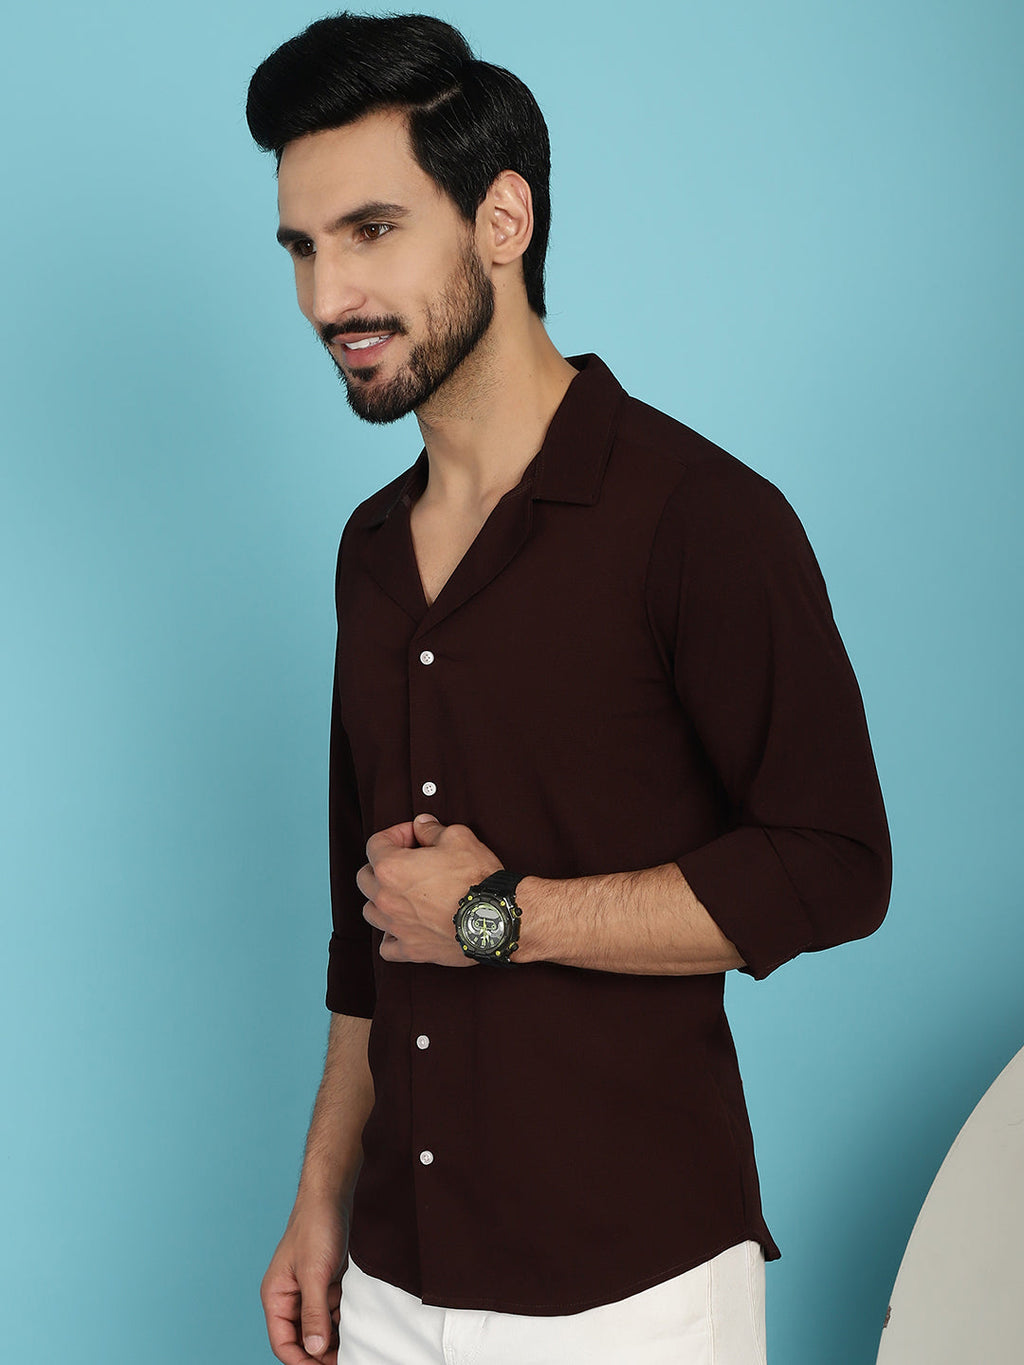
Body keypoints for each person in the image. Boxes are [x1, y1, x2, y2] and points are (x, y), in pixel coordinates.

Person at [246, 13, 891, 1365]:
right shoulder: (370, 552)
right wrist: (322, 1194)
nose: (324, 297)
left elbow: (835, 866)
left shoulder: (701, 519)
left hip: (630, 1290)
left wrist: (500, 917)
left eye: (371, 232)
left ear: (503, 219)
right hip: (392, 1280)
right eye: (302, 247)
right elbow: (368, 927)